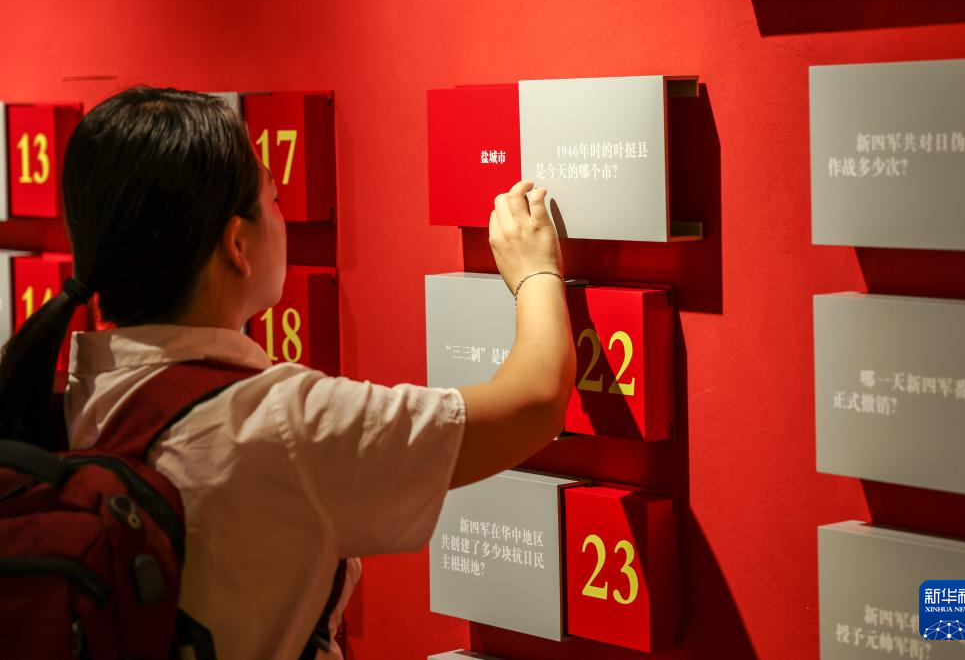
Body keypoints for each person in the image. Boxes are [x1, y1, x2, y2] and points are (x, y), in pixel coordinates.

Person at [0, 87, 574, 658]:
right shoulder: (277, 423)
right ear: (237, 243)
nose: (282, 217)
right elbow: (534, 402)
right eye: (273, 198)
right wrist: (535, 272)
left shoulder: (61, 399)